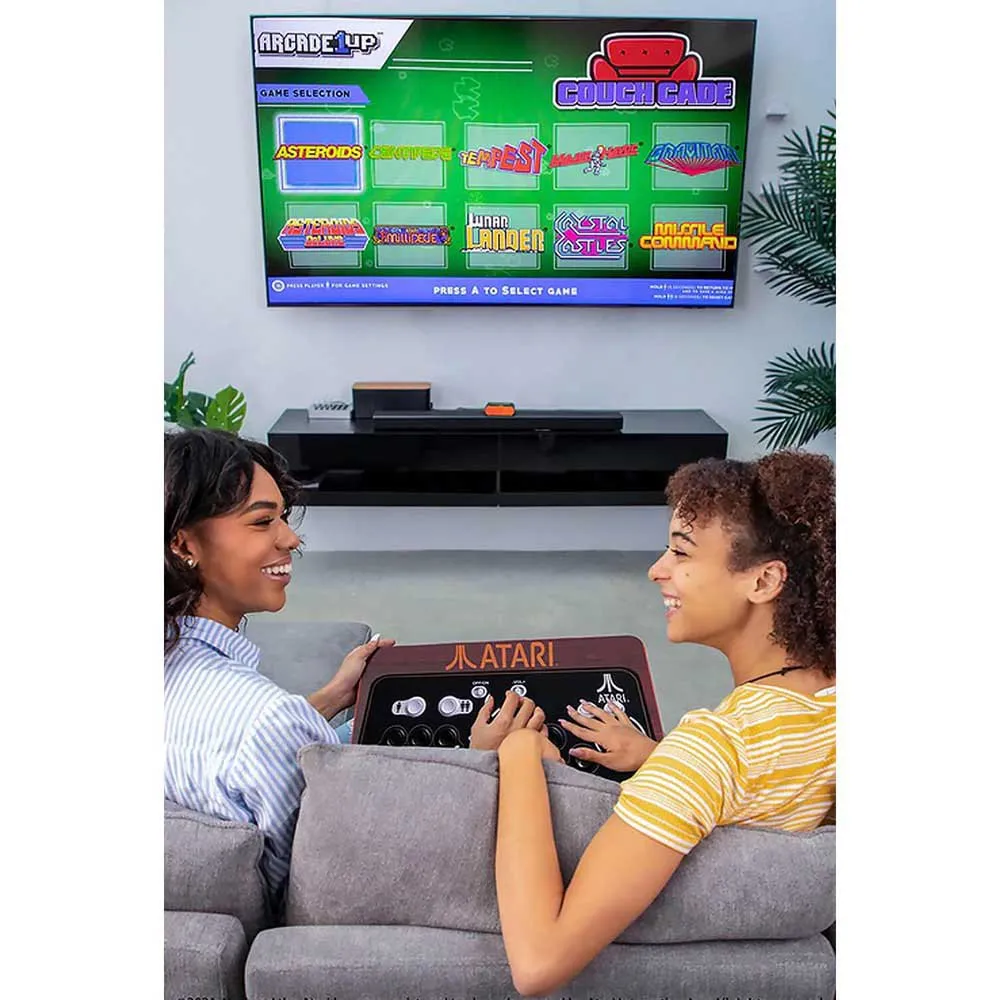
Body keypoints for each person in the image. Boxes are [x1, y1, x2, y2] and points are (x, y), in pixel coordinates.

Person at [493, 451, 836, 996]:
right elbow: (766, 776)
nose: (657, 569)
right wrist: (658, 756)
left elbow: (538, 963)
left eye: (681, 551)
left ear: (765, 580)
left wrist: (515, 754)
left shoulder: (716, 745)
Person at [165, 428, 543, 906]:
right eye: (262, 522)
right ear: (184, 545)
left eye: (283, 517)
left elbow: (248, 747)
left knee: (382, 716)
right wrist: (475, 763)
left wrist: (330, 698)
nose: (291, 538)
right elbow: (322, 879)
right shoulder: (267, 719)